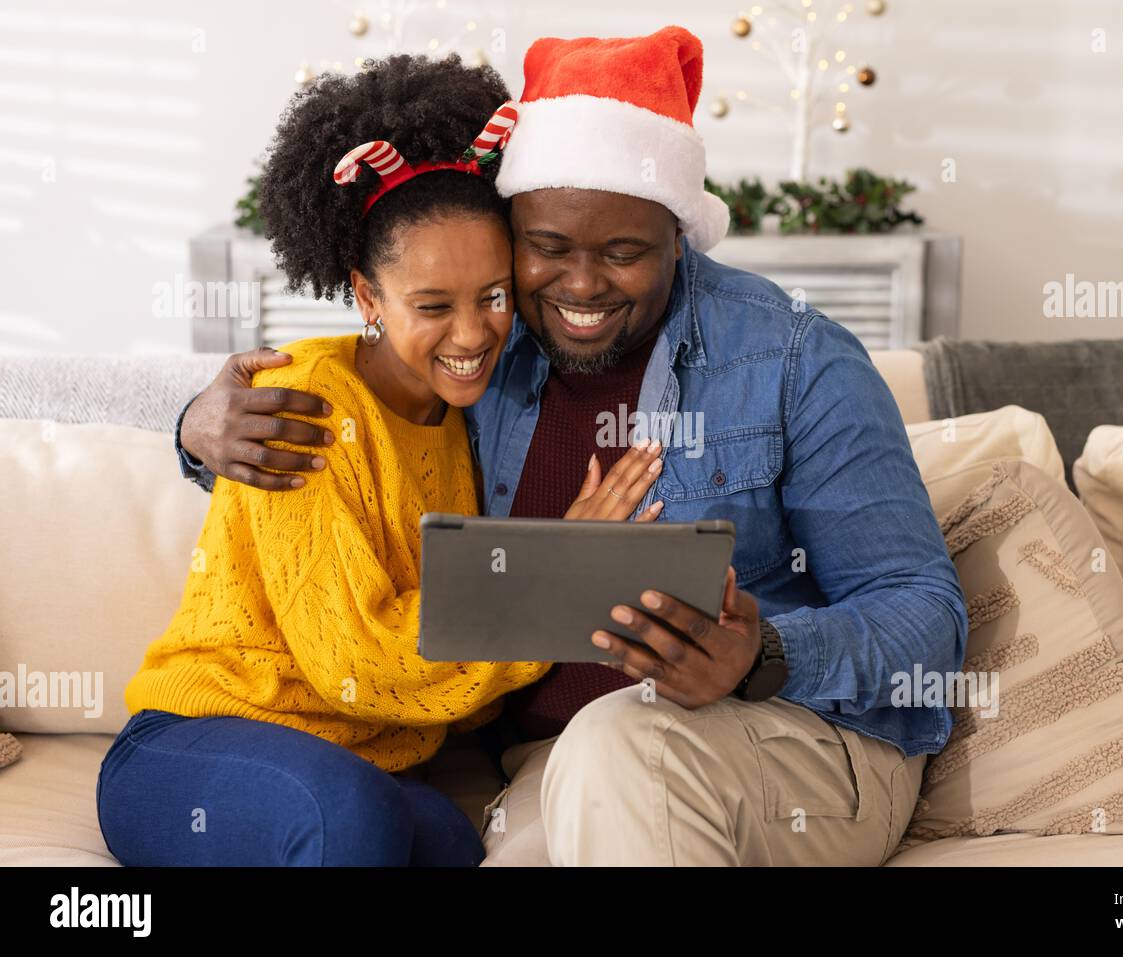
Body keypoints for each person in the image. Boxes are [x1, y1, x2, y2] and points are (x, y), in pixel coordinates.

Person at [174, 27, 969, 866]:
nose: (582, 285)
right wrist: (197, 427)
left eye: (623, 253)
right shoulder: (485, 341)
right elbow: (358, 407)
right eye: (549, 249)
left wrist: (763, 656)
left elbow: (926, 611)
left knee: (618, 747)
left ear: (678, 234)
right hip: (553, 759)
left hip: (785, 737)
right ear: (511, 231)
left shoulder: (796, 358)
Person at [96, 53, 665, 867]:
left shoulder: (469, 421)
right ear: (368, 296)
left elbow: (454, 697)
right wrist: (557, 573)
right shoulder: (305, 402)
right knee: (352, 820)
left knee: (447, 844)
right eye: (432, 305)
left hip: (357, 767)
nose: (472, 334)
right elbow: (357, 660)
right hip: (193, 749)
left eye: (493, 296)